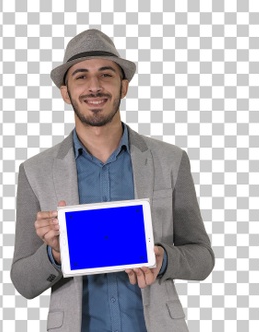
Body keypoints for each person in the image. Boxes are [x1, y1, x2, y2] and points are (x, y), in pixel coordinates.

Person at [11, 29, 215, 332]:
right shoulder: (35, 172)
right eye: (81, 76)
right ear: (65, 92)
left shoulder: (171, 160)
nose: (94, 86)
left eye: (106, 75)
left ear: (123, 86)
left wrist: (163, 259)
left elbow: (202, 258)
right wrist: (55, 255)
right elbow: (23, 281)